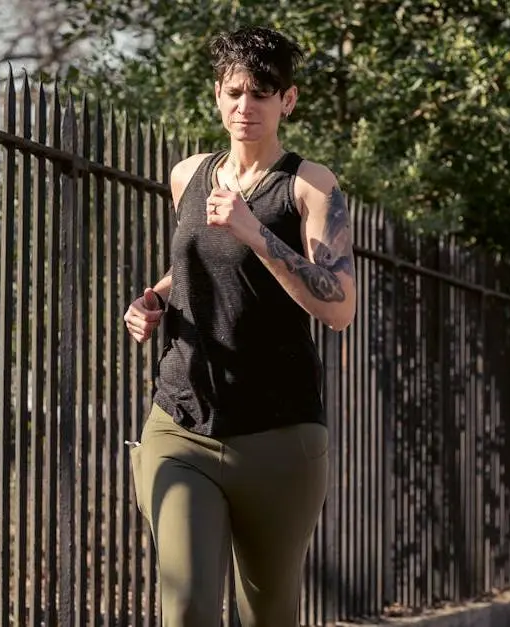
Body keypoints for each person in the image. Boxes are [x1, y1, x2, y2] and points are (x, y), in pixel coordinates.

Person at [121, 26, 356, 627]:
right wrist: (152, 298)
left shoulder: (310, 186)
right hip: (182, 425)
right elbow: (195, 265)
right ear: (217, 95)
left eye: (261, 93)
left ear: (288, 101)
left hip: (279, 436)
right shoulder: (188, 176)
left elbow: (338, 307)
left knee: (268, 612)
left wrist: (255, 233)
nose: (244, 107)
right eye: (234, 92)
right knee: (189, 606)